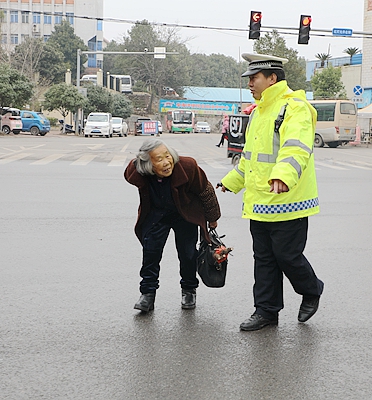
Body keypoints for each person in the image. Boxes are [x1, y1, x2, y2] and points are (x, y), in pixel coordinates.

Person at [218, 53, 324, 331]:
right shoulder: (259, 111)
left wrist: (284, 176)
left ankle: (311, 289)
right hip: (260, 202)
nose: (250, 83)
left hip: (289, 200)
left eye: (254, 78)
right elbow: (251, 158)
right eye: (249, 79)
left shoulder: (294, 107)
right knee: (264, 260)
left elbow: (296, 147)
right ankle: (266, 311)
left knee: (287, 257)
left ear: (272, 78)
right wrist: (231, 181)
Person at [125, 139, 221, 312]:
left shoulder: (188, 166)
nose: (166, 162)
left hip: (185, 214)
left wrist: (212, 218)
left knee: (188, 253)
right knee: (150, 253)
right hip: (156, 214)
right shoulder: (141, 171)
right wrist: (140, 159)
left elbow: (206, 191)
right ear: (148, 164)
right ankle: (147, 294)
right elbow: (129, 174)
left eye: (167, 156)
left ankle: (189, 290)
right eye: (159, 159)